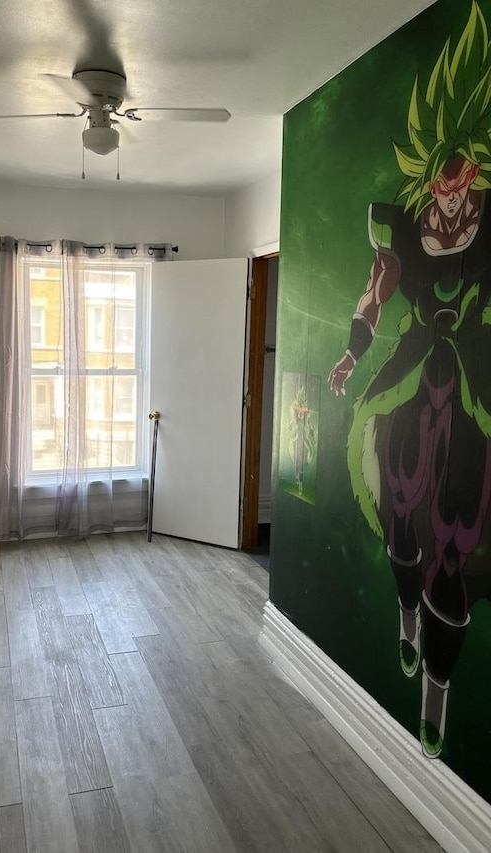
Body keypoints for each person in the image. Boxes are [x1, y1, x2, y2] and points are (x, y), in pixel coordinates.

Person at [328, 1, 491, 758]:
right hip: (414, 364)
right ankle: (403, 614)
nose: (457, 197)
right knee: (400, 508)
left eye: (469, 181)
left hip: (476, 370)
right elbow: (374, 292)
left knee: (458, 532)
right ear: (429, 176)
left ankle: (435, 699)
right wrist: (355, 352)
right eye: (446, 182)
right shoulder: (401, 229)